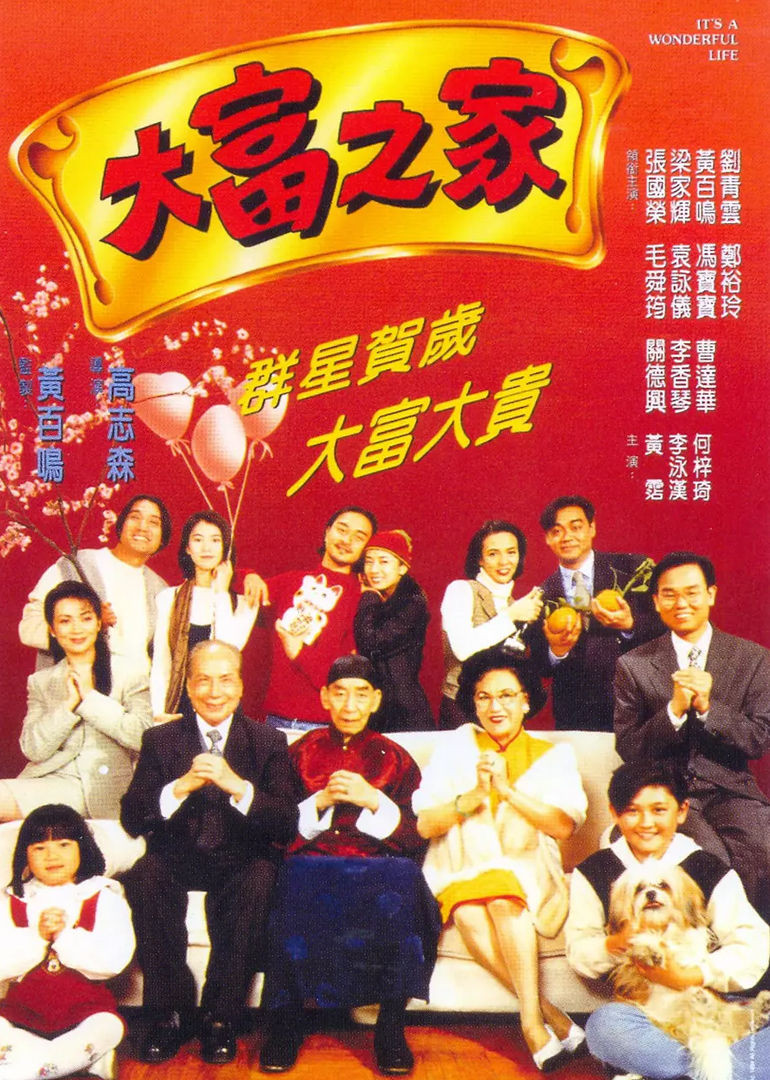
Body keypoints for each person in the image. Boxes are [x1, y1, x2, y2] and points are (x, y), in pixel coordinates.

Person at [259, 655, 440, 1076]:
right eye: (340, 694)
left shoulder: (395, 757)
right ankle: (286, 1024)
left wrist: (372, 799)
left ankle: (390, 1028)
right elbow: (276, 826)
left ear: (376, 700)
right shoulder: (298, 753)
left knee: (405, 877)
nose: (349, 705)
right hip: (311, 863)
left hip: (377, 866)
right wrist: (321, 800)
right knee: (292, 878)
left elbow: (416, 835)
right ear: (325, 697)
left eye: (361, 695)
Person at [120, 640, 298, 1065]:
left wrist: (238, 786)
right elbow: (132, 818)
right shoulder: (161, 739)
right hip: (178, 856)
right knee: (145, 875)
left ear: (240, 686)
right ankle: (170, 1015)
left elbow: (286, 822)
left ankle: (221, 1019)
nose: (215, 692)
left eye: (225, 680)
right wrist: (179, 787)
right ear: (188, 686)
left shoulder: (268, 740)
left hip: (240, 859)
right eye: (203, 681)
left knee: (261, 876)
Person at [412, 648, 588, 1072]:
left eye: (507, 695)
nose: (496, 707)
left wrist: (507, 791)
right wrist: (473, 797)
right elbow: (425, 824)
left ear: (526, 701)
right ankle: (544, 1016)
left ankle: (533, 1022)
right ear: (473, 704)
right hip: (459, 863)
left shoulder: (554, 755)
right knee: (469, 909)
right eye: (484, 697)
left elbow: (563, 826)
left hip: (526, 868)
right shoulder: (456, 748)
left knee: (497, 898)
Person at [565, 761, 770, 1080]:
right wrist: (617, 943)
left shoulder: (708, 868)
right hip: (645, 1012)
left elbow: (754, 944)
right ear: (614, 813)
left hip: (712, 1005)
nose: (646, 823)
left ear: (682, 811)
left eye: (659, 810)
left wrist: (690, 975)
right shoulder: (593, 872)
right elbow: (579, 951)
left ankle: (676, 1071)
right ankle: (721, 1071)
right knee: (604, 1027)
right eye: (632, 811)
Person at [614, 550, 770, 923]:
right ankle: (707, 950)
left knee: (759, 853)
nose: (681, 603)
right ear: (656, 601)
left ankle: (750, 953)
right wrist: (674, 710)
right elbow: (629, 748)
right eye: (669, 594)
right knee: (709, 861)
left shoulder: (753, 659)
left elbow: (759, 739)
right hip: (669, 795)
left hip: (732, 791)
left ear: (711, 594)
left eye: (691, 592)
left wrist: (708, 708)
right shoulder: (633, 665)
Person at [0, 803, 136, 1080]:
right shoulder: (12, 900)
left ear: (82, 849)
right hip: (20, 1014)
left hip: (86, 1013)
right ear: (25, 855)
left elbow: (113, 961)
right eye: (39, 848)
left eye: (64, 845)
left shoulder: (102, 896)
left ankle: (18, 1071)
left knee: (110, 1028)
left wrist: (64, 936)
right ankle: (77, 1065)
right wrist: (37, 938)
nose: (52, 855)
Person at [0, 580, 153, 823]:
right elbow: (32, 749)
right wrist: (68, 706)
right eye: (65, 621)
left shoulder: (129, 672)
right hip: (49, 780)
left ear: (98, 623)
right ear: (52, 630)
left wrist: (89, 699)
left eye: (85, 618)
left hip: (102, 787)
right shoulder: (41, 681)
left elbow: (143, 736)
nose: (76, 629)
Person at [536, 495, 661, 731]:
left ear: (592, 527)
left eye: (576, 527)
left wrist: (630, 624)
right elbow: (539, 665)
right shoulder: (540, 596)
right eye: (557, 531)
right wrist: (556, 651)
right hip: (574, 718)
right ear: (548, 538)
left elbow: (665, 625)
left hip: (635, 706)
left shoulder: (632, 569)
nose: (567, 537)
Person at [248, 505, 377, 730]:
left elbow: (347, 676)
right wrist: (249, 575)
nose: (347, 540)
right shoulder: (291, 582)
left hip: (326, 725)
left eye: (359, 537)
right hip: (275, 721)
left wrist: (298, 652)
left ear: (366, 548)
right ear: (327, 532)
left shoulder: (363, 599)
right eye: (342, 529)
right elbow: (230, 587)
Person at [19, 493, 172, 673]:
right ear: (121, 524)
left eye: (154, 522)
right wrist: (90, 624)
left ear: (162, 538)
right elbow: (29, 627)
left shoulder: (161, 589)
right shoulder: (77, 565)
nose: (142, 527)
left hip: (139, 689)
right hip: (78, 684)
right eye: (135, 517)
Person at [150, 510, 258, 721]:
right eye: (198, 540)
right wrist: (158, 714)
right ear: (188, 548)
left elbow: (226, 650)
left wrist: (221, 592)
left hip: (222, 710)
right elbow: (162, 663)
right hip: (177, 709)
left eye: (215, 540)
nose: (206, 548)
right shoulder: (169, 598)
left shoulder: (244, 602)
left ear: (225, 547)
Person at [439, 520, 544, 729]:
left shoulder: (516, 605)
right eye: (493, 554)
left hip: (503, 712)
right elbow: (462, 649)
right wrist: (511, 616)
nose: (504, 561)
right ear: (480, 558)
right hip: (461, 708)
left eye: (511, 552)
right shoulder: (461, 590)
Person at [353, 529, 434, 732]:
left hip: (404, 713)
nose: (374, 569)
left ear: (402, 568)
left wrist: (369, 595)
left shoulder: (412, 603)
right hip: (377, 707)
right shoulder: (384, 597)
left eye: (384, 561)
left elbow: (370, 643)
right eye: (369, 561)